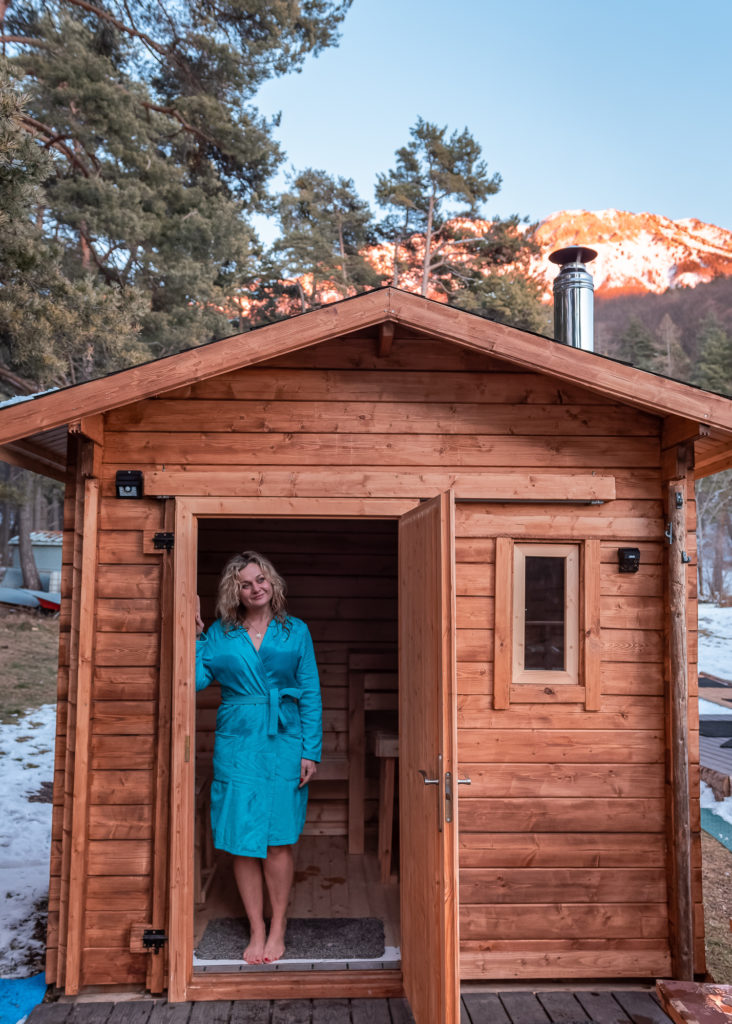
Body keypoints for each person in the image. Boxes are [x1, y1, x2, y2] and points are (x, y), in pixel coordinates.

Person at [195, 551, 322, 964]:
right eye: (246, 583)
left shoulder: (295, 631)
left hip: (284, 739)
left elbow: (311, 694)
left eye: (261, 579)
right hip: (237, 740)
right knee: (243, 841)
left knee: (279, 838)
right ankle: (257, 927)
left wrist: (310, 750)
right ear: (236, 590)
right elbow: (195, 681)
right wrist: (194, 638)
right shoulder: (219, 633)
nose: (255, 588)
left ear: (273, 583)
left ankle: (280, 923)